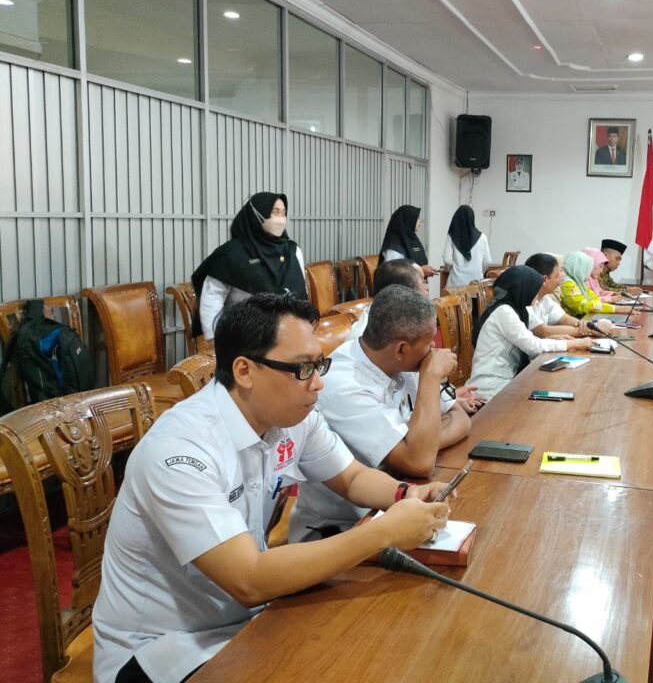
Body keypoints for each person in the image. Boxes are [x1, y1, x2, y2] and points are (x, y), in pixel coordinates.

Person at [92, 293, 450, 683]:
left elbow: (351, 477)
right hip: (163, 648)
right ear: (245, 371)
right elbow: (249, 579)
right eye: (303, 368)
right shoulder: (181, 452)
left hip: (245, 616)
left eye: (319, 365)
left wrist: (405, 494)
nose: (318, 383)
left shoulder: (292, 416)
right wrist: (381, 534)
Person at [289, 285, 472, 542]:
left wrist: (423, 444)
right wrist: (430, 380)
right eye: (429, 341)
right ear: (401, 349)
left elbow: (461, 419)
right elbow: (420, 462)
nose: (433, 348)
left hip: (392, 503)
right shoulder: (344, 384)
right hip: (341, 528)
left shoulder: (406, 362)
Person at [350, 259, 484, 412]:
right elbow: (404, 416)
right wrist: (447, 404)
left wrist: (447, 399)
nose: (427, 288)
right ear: (404, 293)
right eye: (422, 281)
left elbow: (414, 386)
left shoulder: (400, 325)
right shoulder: (379, 339)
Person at [191, 192, 307, 339]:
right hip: (246, 335)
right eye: (275, 212)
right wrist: (215, 339)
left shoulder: (292, 250)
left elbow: (300, 289)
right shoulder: (231, 254)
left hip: (290, 331)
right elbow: (212, 297)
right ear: (256, 215)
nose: (281, 219)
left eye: (283, 213)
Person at [468, 266, 593, 399]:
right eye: (535, 290)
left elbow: (528, 340)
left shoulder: (517, 309)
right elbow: (533, 346)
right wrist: (574, 343)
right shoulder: (504, 312)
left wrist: (553, 340)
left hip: (509, 381)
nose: (537, 295)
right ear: (524, 290)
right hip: (491, 387)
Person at [524, 253, 589, 339]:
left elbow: (565, 318)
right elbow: (544, 331)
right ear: (545, 279)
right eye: (557, 275)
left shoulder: (545, 299)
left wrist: (581, 324)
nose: (563, 275)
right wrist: (587, 331)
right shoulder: (524, 302)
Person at [379, 204, 438, 277]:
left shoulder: (411, 239)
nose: (419, 222)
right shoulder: (394, 246)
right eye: (417, 219)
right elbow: (392, 272)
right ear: (407, 220)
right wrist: (420, 270)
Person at [441, 205, 491, 286]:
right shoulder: (482, 237)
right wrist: (479, 271)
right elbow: (487, 261)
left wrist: (453, 270)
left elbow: (447, 260)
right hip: (476, 284)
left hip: (455, 283)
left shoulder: (452, 236)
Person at [560, 251, 617, 317]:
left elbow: (594, 298)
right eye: (587, 267)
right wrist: (616, 309)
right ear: (580, 268)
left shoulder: (579, 282)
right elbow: (584, 305)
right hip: (573, 321)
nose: (589, 270)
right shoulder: (567, 283)